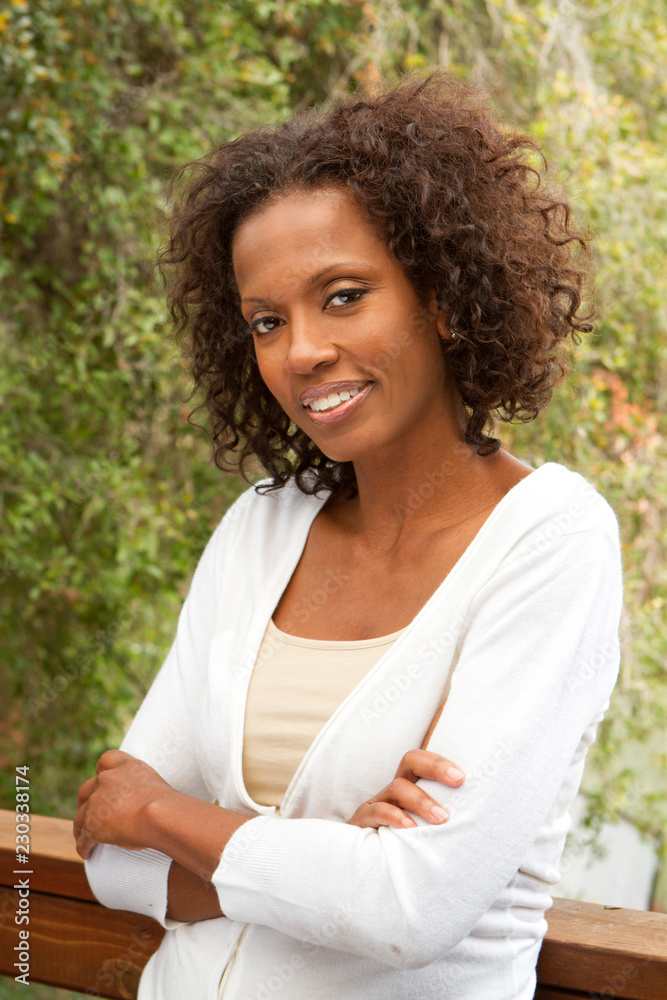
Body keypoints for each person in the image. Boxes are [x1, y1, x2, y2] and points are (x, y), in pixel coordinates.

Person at [75, 72, 623, 1000]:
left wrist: (165, 816)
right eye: (265, 321)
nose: (300, 352)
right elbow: (110, 858)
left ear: (442, 297)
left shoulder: (548, 542)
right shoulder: (260, 528)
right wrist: (328, 858)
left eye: (342, 296)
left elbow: (407, 907)